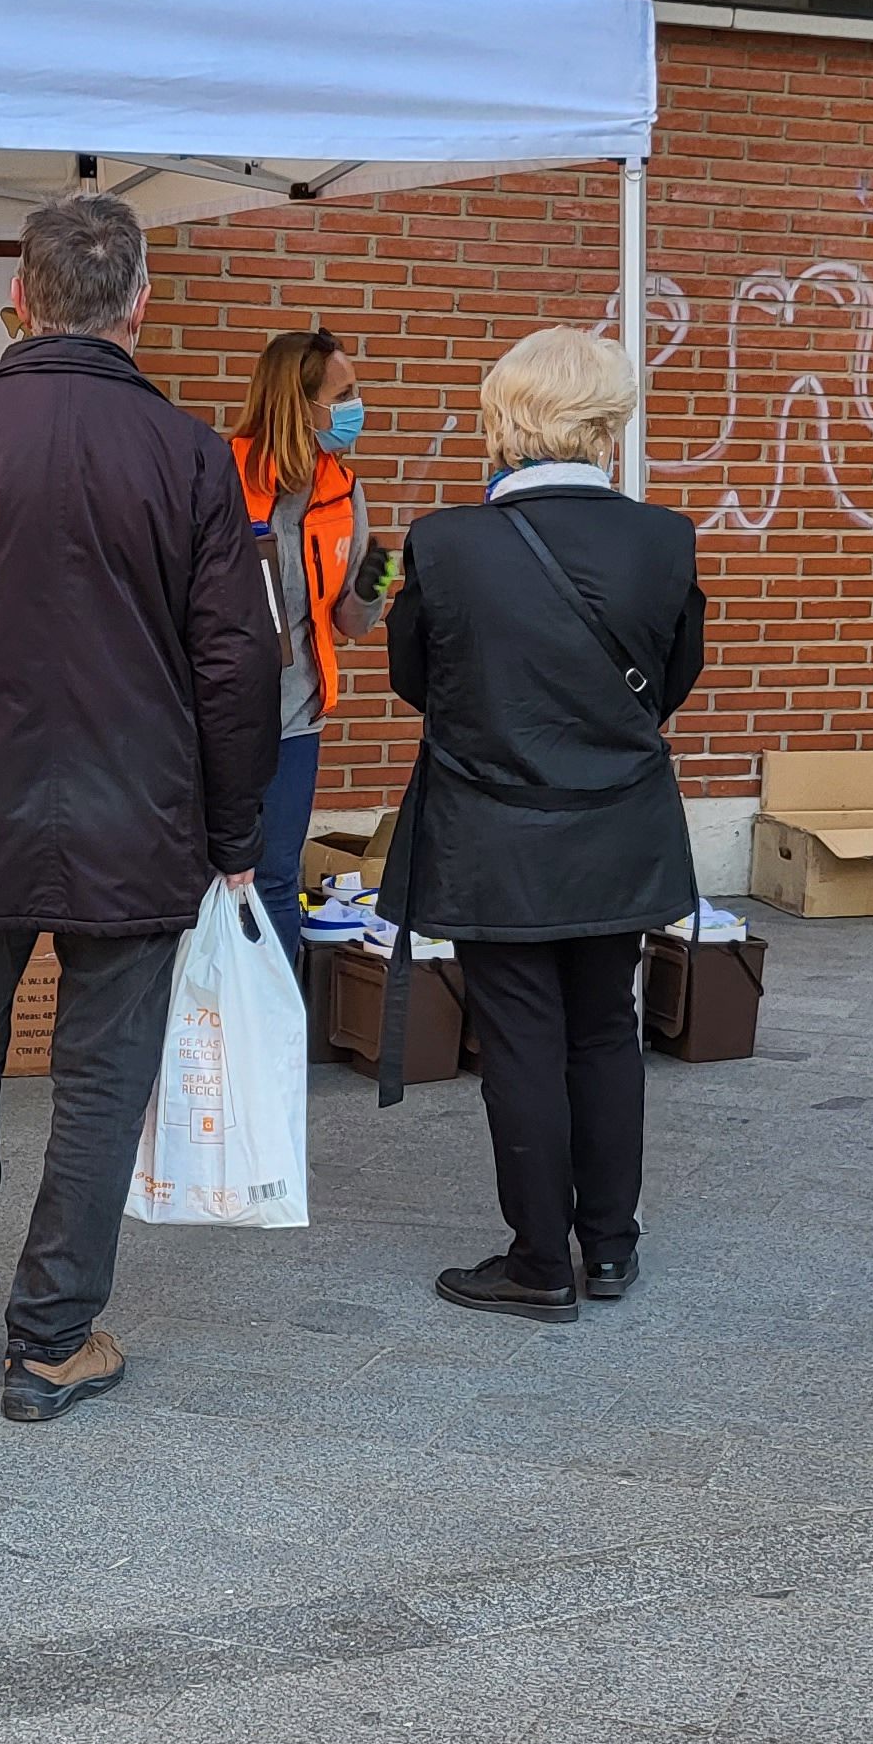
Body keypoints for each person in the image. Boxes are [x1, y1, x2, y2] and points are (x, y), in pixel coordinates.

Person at [0, 192, 278, 1424]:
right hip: (139, 820)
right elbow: (238, 665)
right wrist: (236, 837)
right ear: (140, 305)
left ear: (18, 297)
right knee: (99, 1079)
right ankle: (52, 1339)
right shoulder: (193, 456)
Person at [376, 326, 705, 1318]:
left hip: (492, 829)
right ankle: (608, 1248)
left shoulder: (442, 542)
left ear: (505, 416)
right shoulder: (662, 537)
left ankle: (537, 1263)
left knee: (520, 1039)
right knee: (606, 1028)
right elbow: (674, 679)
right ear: (607, 422)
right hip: (617, 824)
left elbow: (410, 680)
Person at [228, 328, 393, 965]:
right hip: (211, 720)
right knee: (208, 879)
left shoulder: (344, 490)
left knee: (275, 880)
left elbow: (355, 620)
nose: (356, 407)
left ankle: (276, 1045)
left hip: (295, 719)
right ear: (301, 405)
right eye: (344, 394)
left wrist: (381, 568)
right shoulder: (219, 474)